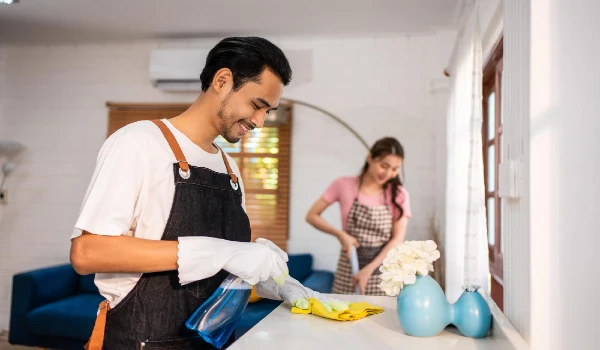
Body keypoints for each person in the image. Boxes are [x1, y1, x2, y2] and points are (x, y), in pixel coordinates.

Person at [70, 37, 325, 350]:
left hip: (212, 340)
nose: (260, 121)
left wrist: (271, 280)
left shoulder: (229, 168)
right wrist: (225, 252)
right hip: (142, 340)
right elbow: (87, 253)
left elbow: (222, 266)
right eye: (257, 105)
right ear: (222, 80)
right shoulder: (138, 142)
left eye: (268, 111)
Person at [306, 137, 412, 296]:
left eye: (395, 169)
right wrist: (340, 235)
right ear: (370, 158)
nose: (388, 173)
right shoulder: (342, 185)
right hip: (348, 269)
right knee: (344, 316)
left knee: (379, 318)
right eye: (384, 166)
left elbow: (397, 239)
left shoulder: (398, 194)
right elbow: (312, 215)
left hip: (384, 271)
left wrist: (368, 270)